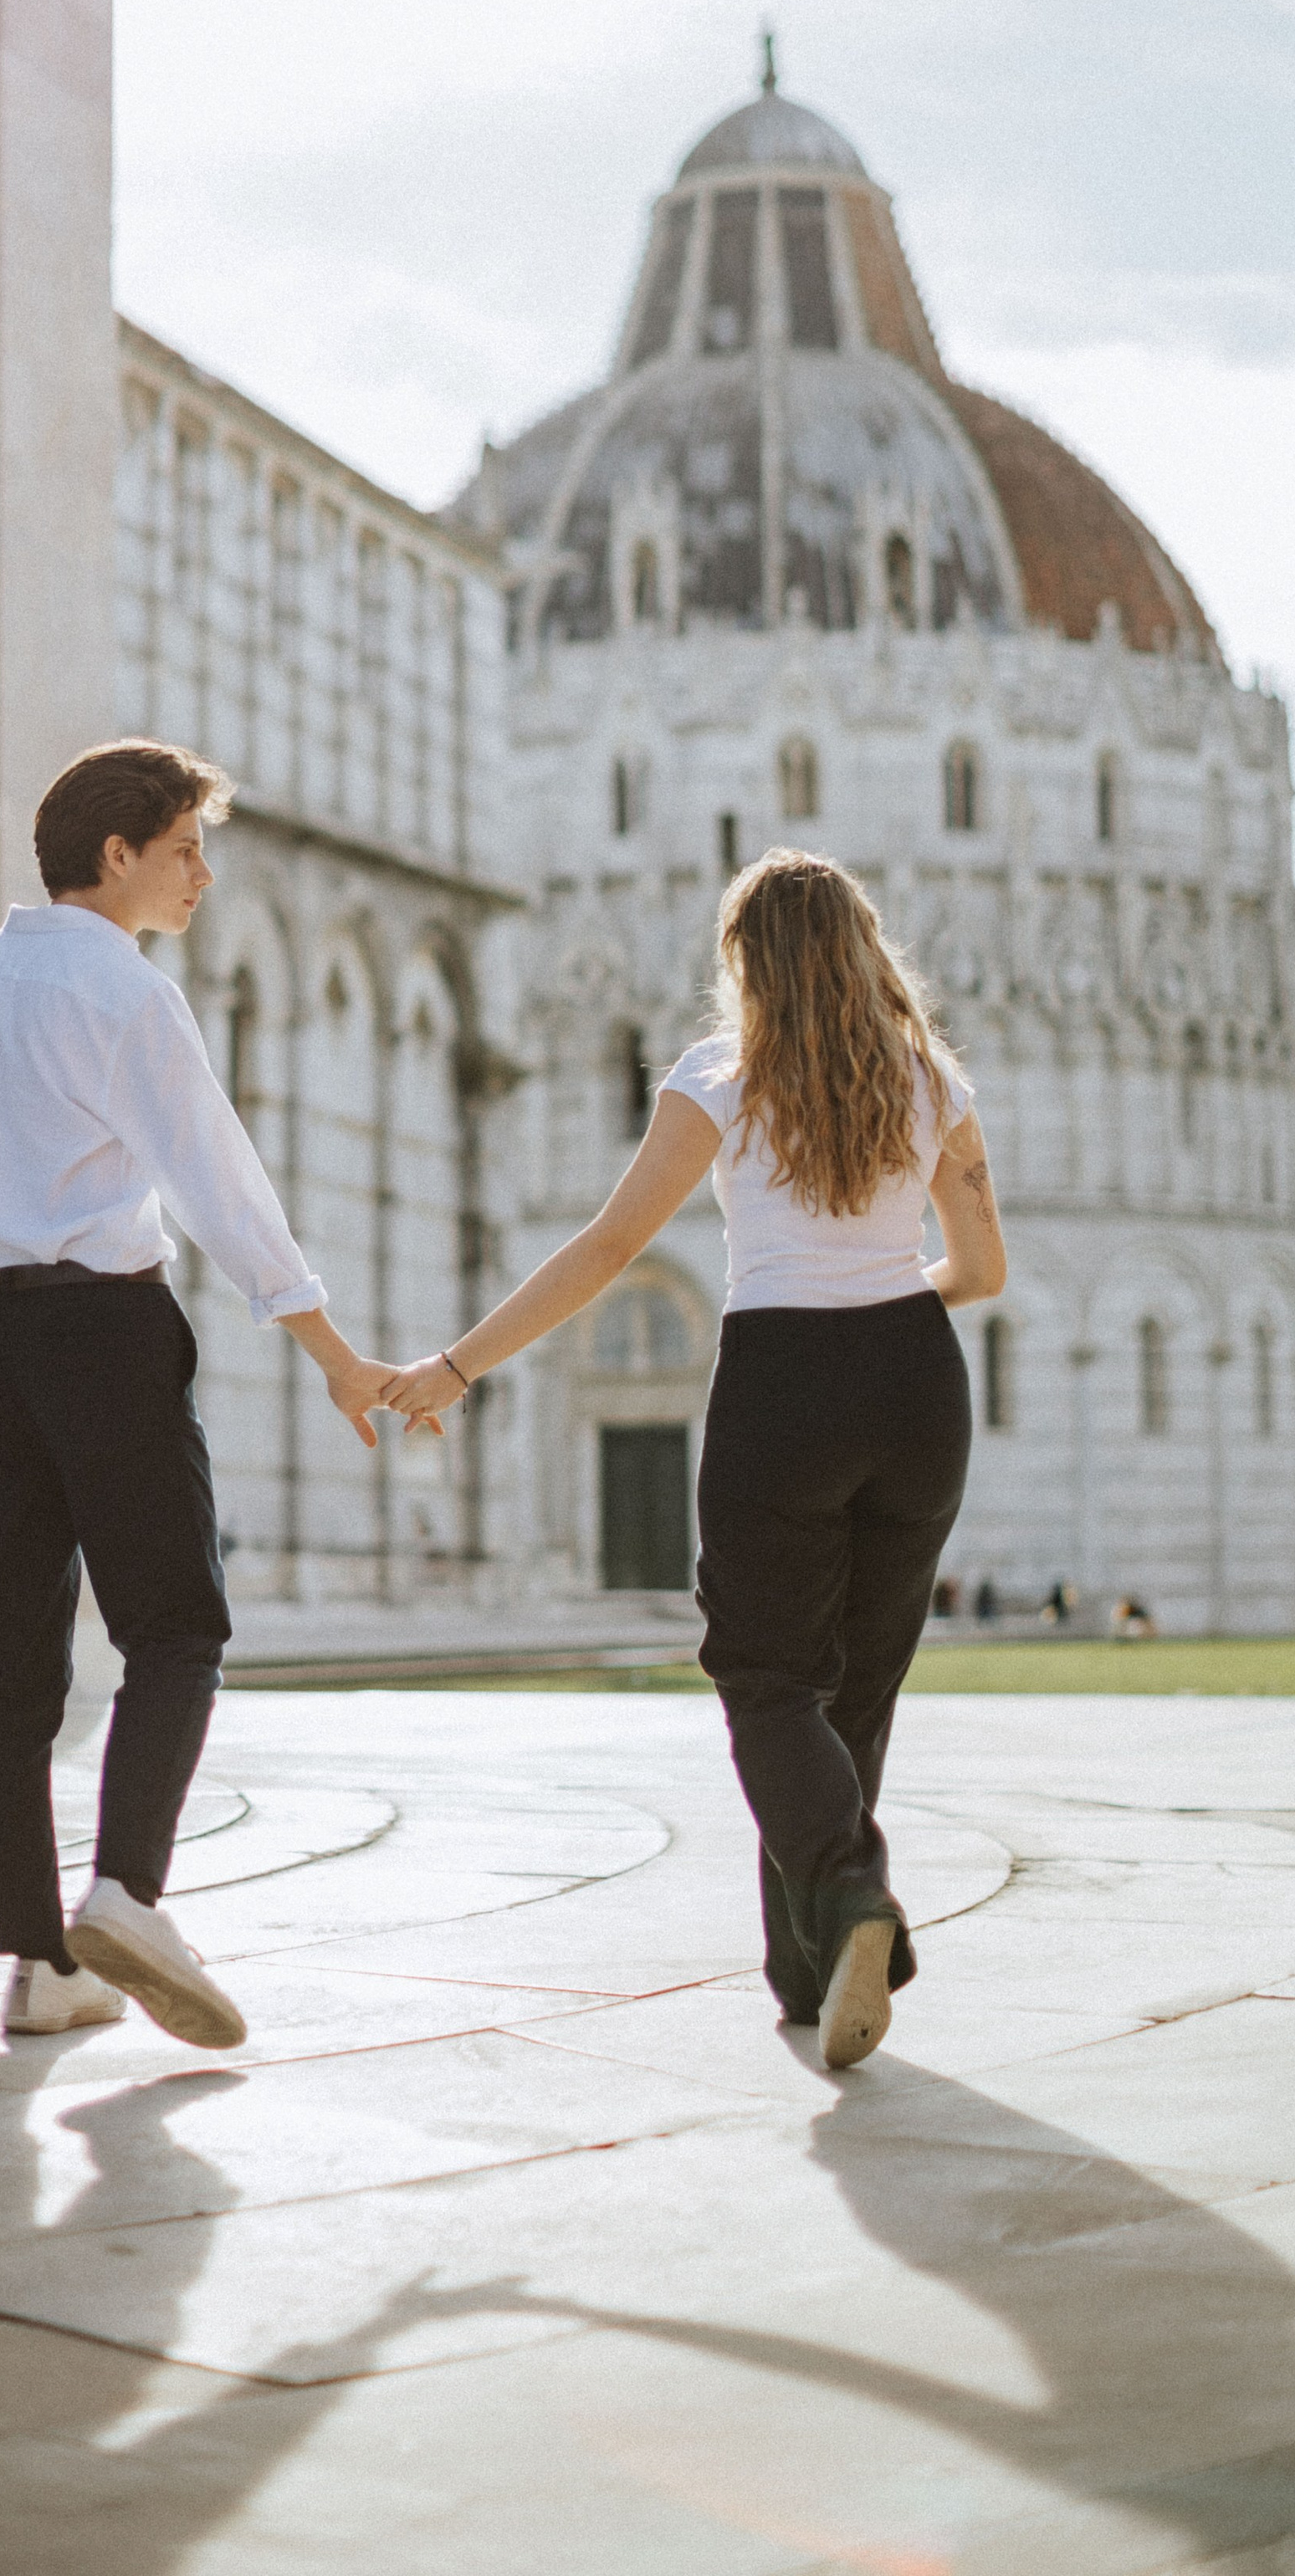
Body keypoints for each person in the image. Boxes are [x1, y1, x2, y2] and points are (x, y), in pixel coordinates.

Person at [382, 847, 1006, 2071]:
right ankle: (811, 1967)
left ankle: (854, 1895)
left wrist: (458, 1365)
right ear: (866, 949)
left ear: (744, 965)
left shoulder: (718, 1078)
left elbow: (612, 1247)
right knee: (857, 1690)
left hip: (784, 1378)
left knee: (763, 1676)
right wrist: (891, 1305)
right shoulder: (933, 1084)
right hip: (919, 1381)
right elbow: (982, 1272)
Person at [0, 739, 408, 2047]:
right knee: (176, 1628)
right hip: (107, 1330)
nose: (205, 876)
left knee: (13, 1657)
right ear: (116, 855)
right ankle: (127, 1894)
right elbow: (217, 1183)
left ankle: (38, 1965)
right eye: (187, 849)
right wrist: (336, 1355)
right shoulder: (120, 992)